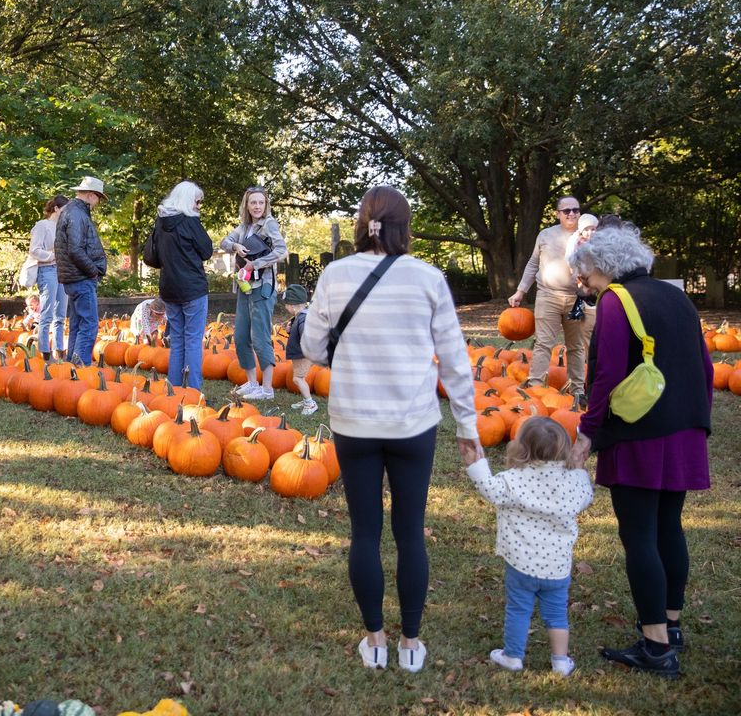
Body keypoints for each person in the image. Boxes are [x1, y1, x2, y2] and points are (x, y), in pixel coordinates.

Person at [300, 186, 478, 673]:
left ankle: (375, 637)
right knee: (410, 534)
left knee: (364, 532)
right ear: (406, 226)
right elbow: (456, 361)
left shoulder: (335, 275)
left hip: (354, 421)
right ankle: (411, 643)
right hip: (412, 423)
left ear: (363, 224)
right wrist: (468, 425)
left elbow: (313, 348)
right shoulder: (427, 278)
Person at [569, 223, 712, 679]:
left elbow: (607, 373)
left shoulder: (617, 300)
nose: (583, 284)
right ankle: (671, 627)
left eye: (585, 275)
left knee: (639, 536)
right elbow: (705, 365)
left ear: (601, 267)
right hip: (685, 426)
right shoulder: (676, 297)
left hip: (640, 431)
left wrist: (589, 432)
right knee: (669, 526)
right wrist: (698, 419)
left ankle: (654, 647)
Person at [463, 417, 594, 677]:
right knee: (557, 614)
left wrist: (476, 464)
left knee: (518, 609)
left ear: (521, 448)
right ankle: (560, 661)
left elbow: (490, 488)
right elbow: (586, 496)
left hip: (521, 564)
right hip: (557, 567)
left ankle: (512, 656)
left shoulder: (514, 479)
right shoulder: (573, 483)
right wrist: (579, 469)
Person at [508, 196, 592, 405]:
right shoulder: (546, 235)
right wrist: (520, 291)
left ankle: (578, 390)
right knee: (544, 343)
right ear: (557, 214)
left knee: (575, 346)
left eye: (575, 210)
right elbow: (533, 264)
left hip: (576, 298)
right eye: (566, 211)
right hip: (548, 295)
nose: (571, 213)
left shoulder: (589, 237)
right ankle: (536, 387)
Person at [142, 180, 214, 390]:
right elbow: (207, 250)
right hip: (193, 288)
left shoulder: (161, 222)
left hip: (169, 288)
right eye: (198, 202)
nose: (198, 206)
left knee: (178, 339)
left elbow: (151, 257)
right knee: (192, 340)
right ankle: (192, 390)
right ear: (189, 200)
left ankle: (172, 388)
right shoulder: (190, 222)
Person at [219, 187, 287, 401]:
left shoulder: (269, 224)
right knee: (240, 337)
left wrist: (254, 264)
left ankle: (267, 389)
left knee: (260, 337)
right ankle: (252, 383)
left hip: (262, 288)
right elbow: (223, 242)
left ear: (266, 205)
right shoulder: (244, 227)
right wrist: (235, 245)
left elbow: (281, 251)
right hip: (245, 287)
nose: (257, 206)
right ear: (246, 205)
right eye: (253, 203)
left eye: (261, 203)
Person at [55, 176, 108, 366]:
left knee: (78, 324)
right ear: (91, 195)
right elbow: (75, 249)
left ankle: (72, 365)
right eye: (98, 198)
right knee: (89, 325)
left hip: (74, 277)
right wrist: (93, 270)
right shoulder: (77, 214)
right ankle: (80, 366)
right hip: (81, 277)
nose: (98, 202)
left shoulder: (73, 211)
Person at [27, 195, 69, 360]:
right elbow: (34, 250)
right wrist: (51, 256)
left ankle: (60, 351)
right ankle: (45, 352)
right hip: (47, 270)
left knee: (61, 315)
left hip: (61, 271)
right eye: (65, 210)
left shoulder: (64, 228)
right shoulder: (42, 226)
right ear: (56, 208)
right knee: (47, 314)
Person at [280, 284, 316, 416]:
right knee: (301, 377)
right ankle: (305, 399)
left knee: (297, 379)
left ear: (293, 306)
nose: (285, 307)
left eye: (287, 305)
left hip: (303, 355)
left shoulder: (303, 319)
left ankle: (310, 403)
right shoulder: (299, 317)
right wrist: (290, 330)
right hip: (300, 354)